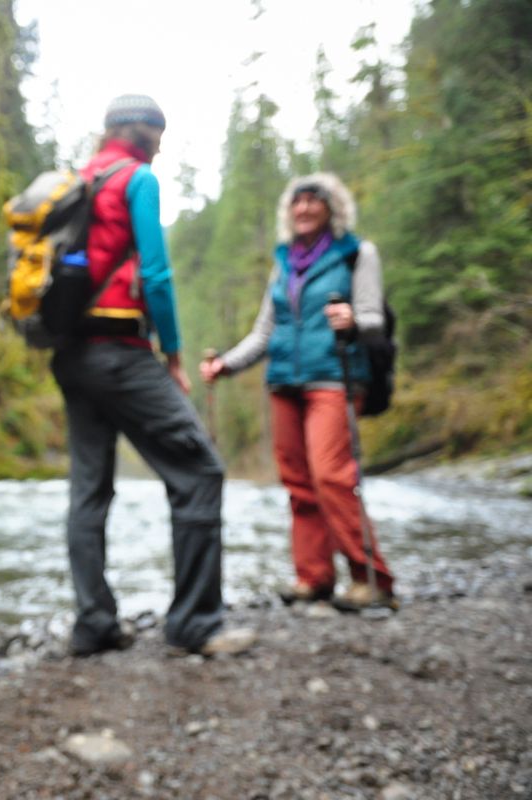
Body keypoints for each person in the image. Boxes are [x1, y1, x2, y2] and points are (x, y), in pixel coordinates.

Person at [52, 94, 255, 657]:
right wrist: (172, 353)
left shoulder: (76, 180)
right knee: (200, 472)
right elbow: (158, 275)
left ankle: (93, 624)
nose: (162, 144)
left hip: (71, 355)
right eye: (159, 134)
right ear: (144, 134)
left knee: (89, 491)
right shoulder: (136, 179)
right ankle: (195, 623)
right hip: (121, 349)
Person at [200, 173, 398, 612]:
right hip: (284, 382)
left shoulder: (357, 254)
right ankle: (314, 577)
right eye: (297, 202)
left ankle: (373, 579)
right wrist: (226, 364)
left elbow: (373, 318)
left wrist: (351, 318)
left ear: (332, 209)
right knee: (298, 483)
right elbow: (265, 331)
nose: (304, 208)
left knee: (332, 476)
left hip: (335, 377)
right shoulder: (284, 262)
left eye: (314, 201)